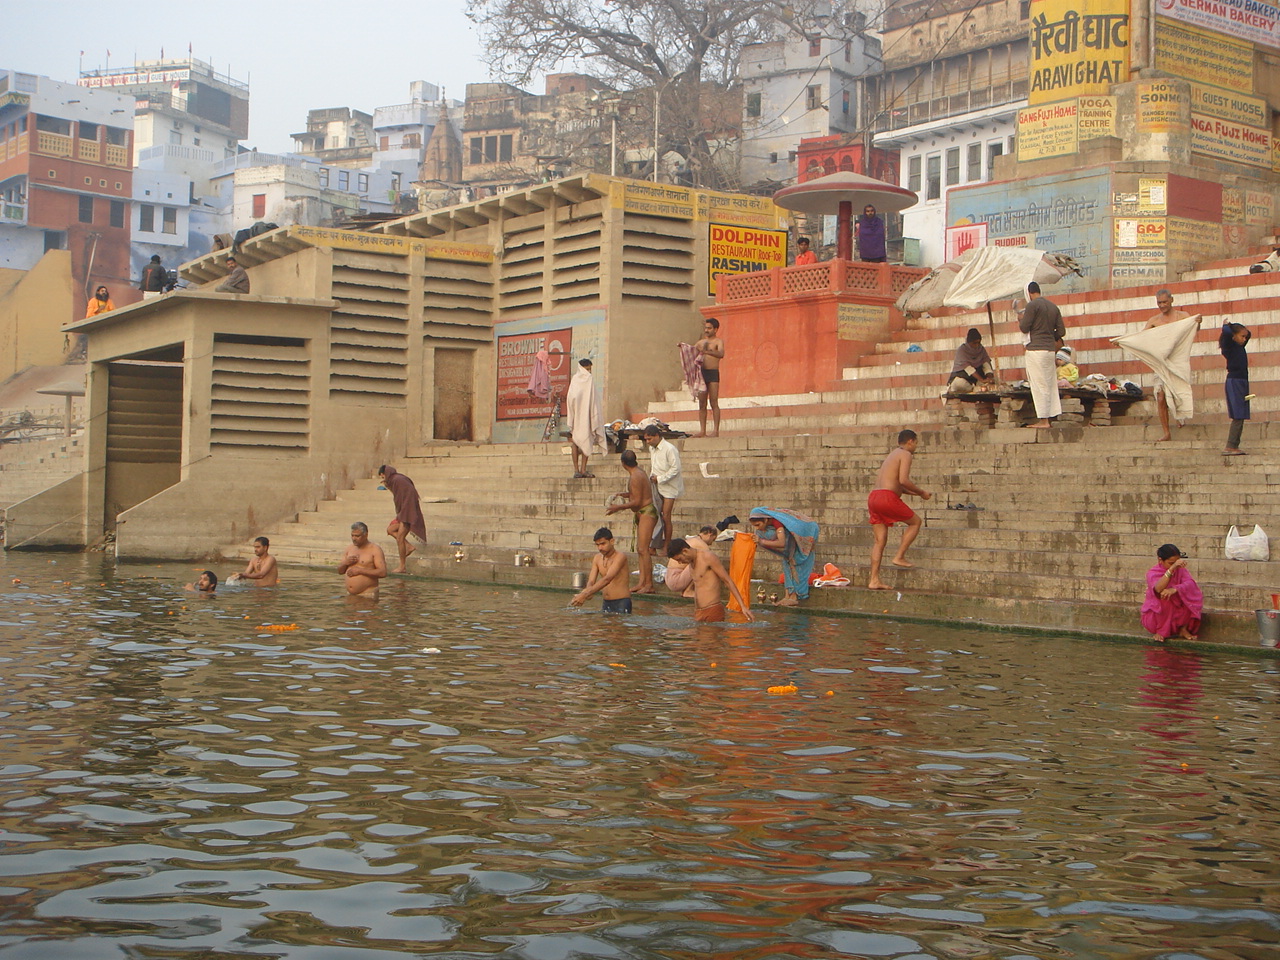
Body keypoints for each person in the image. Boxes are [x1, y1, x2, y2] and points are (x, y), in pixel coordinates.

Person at [867, 429, 931, 590]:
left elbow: (896, 485)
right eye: (916, 443)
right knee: (915, 522)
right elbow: (903, 480)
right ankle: (899, 556)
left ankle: (874, 580)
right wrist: (922, 492)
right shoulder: (905, 454)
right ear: (910, 441)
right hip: (887, 498)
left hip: (874, 497)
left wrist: (918, 495)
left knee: (879, 541)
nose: (915, 446)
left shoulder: (892, 455)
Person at [606, 449, 658, 593]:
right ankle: (642, 583)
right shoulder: (638, 472)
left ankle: (649, 585)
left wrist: (618, 507)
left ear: (623, 463)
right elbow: (637, 495)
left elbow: (637, 502)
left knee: (644, 550)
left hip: (647, 513)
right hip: (643, 513)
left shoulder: (636, 476)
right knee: (640, 550)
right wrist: (624, 494)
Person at [666, 538, 754, 623]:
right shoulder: (691, 564)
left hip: (712, 610)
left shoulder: (708, 557)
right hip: (698, 612)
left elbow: (727, 581)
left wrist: (743, 606)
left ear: (685, 551)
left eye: (680, 559)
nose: (680, 563)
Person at [1144, 289, 1191, 441]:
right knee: (1160, 396)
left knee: (1178, 391)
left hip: (1177, 361)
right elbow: (1141, 338)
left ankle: (1179, 416)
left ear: (1171, 300)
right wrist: (1124, 342)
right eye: (1159, 303)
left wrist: (1197, 322)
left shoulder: (1183, 317)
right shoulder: (1154, 321)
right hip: (1161, 361)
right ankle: (1166, 432)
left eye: (1164, 302)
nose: (1162, 305)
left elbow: (1193, 330)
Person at [1017, 281, 1066, 429]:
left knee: (1039, 385)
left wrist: (1021, 319)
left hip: (1036, 350)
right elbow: (1062, 332)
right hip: (1050, 351)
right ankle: (1049, 418)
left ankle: (1043, 421)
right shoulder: (1053, 306)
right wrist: (1050, 334)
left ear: (1029, 293)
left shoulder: (1032, 306)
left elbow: (1025, 327)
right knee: (1050, 385)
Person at [749, 508, 820, 606]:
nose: (757, 528)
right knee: (786, 565)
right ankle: (787, 596)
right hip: (790, 547)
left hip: (803, 539)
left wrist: (761, 541)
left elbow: (782, 543)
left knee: (797, 567)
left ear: (765, 520)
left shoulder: (777, 522)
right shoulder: (769, 525)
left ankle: (794, 597)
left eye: (758, 525)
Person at [1141, 543, 1203, 642]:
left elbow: (1191, 584)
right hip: (1156, 618)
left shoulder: (1181, 570)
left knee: (1191, 596)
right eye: (1171, 563)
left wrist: (1175, 589)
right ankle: (1161, 631)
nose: (1175, 565)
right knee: (1164, 598)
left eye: (1176, 562)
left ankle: (1183, 629)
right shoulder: (1152, 573)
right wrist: (1171, 569)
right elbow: (1158, 589)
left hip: (1178, 614)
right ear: (1160, 560)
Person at [570, 527, 632, 613]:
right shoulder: (597, 558)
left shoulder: (620, 557)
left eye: (603, 544)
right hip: (606, 602)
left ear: (612, 541)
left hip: (621, 602)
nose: (600, 548)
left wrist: (585, 595)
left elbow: (607, 579)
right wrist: (588, 591)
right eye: (597, 545)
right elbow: (591, 580)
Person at [378, 465, 427, 573]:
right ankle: (408, 546)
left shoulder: (397, 480)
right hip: (405, 510)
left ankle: (402, 566)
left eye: (382, 477)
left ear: (383, 474)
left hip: (407, 511)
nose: (383, 479)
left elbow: (408, 496)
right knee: (390, 530)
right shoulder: (397, 479)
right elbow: (399, 497)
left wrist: (404, 513)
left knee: (400, 537)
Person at [643, 424, 683, 554]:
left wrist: (660, 478)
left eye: (649, 439)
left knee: (666, 516)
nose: (648, 442)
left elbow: (675, 469)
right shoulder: (652, 449)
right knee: (654, 516)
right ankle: (653, 545)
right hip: (656, 485)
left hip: (670, 487)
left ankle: (666, 546)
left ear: (657, 436)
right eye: (646, 440)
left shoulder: (669, 449)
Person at [565, 358, 604, 478]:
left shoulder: (589, 380)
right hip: (577, 416)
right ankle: (576, 470)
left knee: (587, 440)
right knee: (576, 443)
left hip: (587, 415)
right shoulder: (576, 380)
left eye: (590, 369)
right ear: (582, 368)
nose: (589, 372)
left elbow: (592, 398)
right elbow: (571, 398)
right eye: (587, 369)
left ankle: (583, 469)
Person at [1220, 321, 1251, 455]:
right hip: (1235, 381)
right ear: (1234, 336)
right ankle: (1231, 445)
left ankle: (1234, 445)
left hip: (1242, 381)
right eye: (1242, 336)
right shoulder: (1229, 347)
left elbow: (1249, 335)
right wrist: (1228, 325)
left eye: (1245, 337)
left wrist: (1241, 331)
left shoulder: (1240, 346)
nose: (1244, 339)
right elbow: (1226, 332)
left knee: (1242, 414)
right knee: (1238, 414)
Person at [663, 525, 717, 598]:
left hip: (669, 578)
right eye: (713, 540)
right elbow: (710, 561)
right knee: (701, 562)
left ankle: (687, 590)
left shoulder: (692, 539)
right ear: (710, 534)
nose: (711, 543)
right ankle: (688, 590)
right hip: (675, 579)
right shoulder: (701, 544)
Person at [338, 521, 387, 596]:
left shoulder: (375, 549)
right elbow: (340, 571)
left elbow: (383, 572)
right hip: (350, 595)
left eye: (357, 536)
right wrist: (345, 563)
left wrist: (360, 571)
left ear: (366, 535)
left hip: (367, 593)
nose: (354, 538)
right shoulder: (349, 548)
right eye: (352, 535)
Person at [694, 317, 724, 437]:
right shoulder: (700, 343)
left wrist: (707, 352)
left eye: (709, 328)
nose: (707, 330)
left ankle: (715, 431)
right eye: (706, 328)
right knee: (702, 404)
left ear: (715, 329)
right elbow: (691, 351)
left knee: (714, 401)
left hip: (713, 373)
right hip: (702, 374)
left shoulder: (718, 342)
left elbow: (721, 354)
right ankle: (702, 431)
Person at [947, 327, 994, 394]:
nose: (977, 345)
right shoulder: (962, 350)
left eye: (979, 342)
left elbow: (986, 364)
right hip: (962, 378)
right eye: (974, 343)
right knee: (959, 384)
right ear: (969, 342)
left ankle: (978, 388)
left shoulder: (981, 349)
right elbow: (969, 369)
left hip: (977, 380)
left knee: (994, 382)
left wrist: (990, 378)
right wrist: (982, 380)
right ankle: (974, 389)